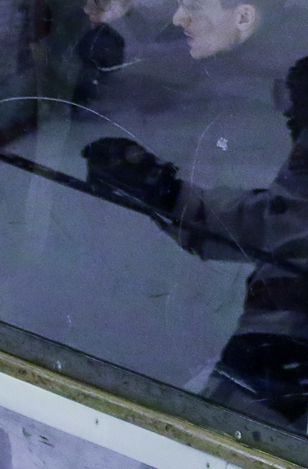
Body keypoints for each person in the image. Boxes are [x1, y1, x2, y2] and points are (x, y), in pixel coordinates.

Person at [82, 54, 308, 427]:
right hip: (263, 361)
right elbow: (278, 220)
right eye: (294, 105)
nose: (288, 119)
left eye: (300, 108)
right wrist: (162, 190)